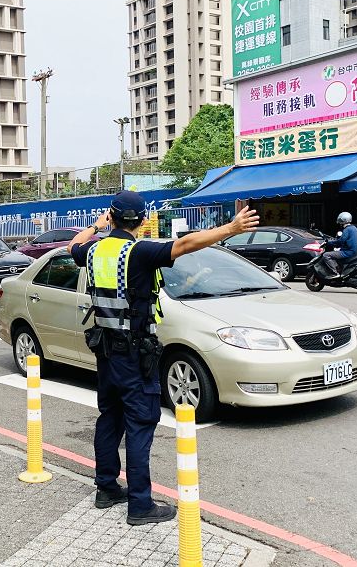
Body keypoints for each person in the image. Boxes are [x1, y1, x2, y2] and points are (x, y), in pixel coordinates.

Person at [66, 191, 258, 525]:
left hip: (106, 352)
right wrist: (231, 227)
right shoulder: (138, 252)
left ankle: (107, 488)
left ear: (111, 217)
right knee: (140, 424)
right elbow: (186, 245)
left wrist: (97, 226)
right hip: (134, 352)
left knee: (109, 418)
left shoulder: (94, 249)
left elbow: (73, 245)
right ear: (142, 220)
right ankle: (140, 505)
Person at [321, 212, 357, 278]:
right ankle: (340, 270)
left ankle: (335, 273)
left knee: (326, 255)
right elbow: (345, 241)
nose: (339, 223)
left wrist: (328, 243)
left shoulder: (347, 229)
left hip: (347, 252)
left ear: (342, 221)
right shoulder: (354, 228)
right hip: (353, 251)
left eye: (340, 221)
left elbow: (340, 241)